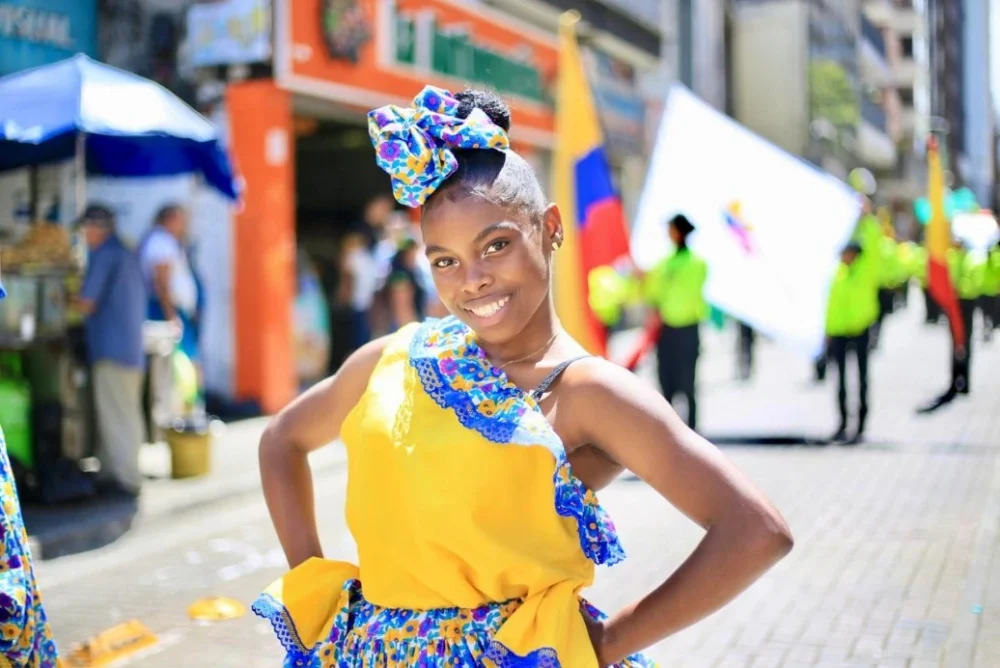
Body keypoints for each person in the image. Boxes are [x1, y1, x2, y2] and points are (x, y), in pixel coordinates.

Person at [251, 86, 792, 667]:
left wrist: (608, 643)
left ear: (550, 228)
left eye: (497, 245)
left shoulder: (588, 392)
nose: (472, 280)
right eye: (444, 261)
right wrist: (317, 588)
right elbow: (282, 441)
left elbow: (755, 531)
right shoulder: (391, 357)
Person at [74, 205, 147, 495]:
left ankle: (126, 478)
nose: (84, 236)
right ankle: (112, 473)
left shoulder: (105, 254)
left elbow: (87, 302)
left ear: (96, 227)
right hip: (128, 349)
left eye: (85, 229)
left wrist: (63, 299)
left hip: (113, 350)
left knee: (117, 415)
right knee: (123, 413)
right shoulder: (125, 252)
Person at [642, 215, 708, 431]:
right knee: (677, 382)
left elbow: (652, 291)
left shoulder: (672, 265)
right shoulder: (694, 263)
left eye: (670, 229)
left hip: (680, 328)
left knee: (678, 383)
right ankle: (685, 430)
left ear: (678, 232)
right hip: (676, 330)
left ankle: (679, 431)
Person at [824, 214, 880, 444]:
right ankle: (842, 423)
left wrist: (865, 219)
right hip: (838, 332)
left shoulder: (866, 271)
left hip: (860, 330)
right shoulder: (836, 273)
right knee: (841, 380)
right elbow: (828, 305)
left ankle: (861, 424)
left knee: (862, 378)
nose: (846, 256)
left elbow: (874, 245)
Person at [138, 204, 199, 363]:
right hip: (165, 309)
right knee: (182, 361)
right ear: (170, 219)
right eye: (181, 220)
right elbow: (162, 282)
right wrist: (171, 316)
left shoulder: (165, 241)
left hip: (169, 308)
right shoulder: (161, 241)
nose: (184, 226)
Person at [386, 236, 426, 328]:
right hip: (406, 326)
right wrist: (411, 329)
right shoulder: (400, 277)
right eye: (411, 253)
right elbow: (401, 308)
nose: (413, 257)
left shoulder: (411, 272)